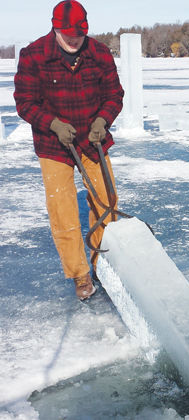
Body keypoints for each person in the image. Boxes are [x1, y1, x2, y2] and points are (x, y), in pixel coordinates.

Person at [14, 0, 124, 300]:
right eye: (68, 33)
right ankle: (80, 273)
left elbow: (115, 94)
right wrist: (52, 124)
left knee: (107, 201)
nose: (74, 39)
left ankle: (104, 263)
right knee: (62, 210)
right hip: (54, 144)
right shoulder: (34, 54)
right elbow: (24, 102)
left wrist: (103, 119)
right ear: (55, 28)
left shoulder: (98, 53)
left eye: (79, 33)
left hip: (93, 139)